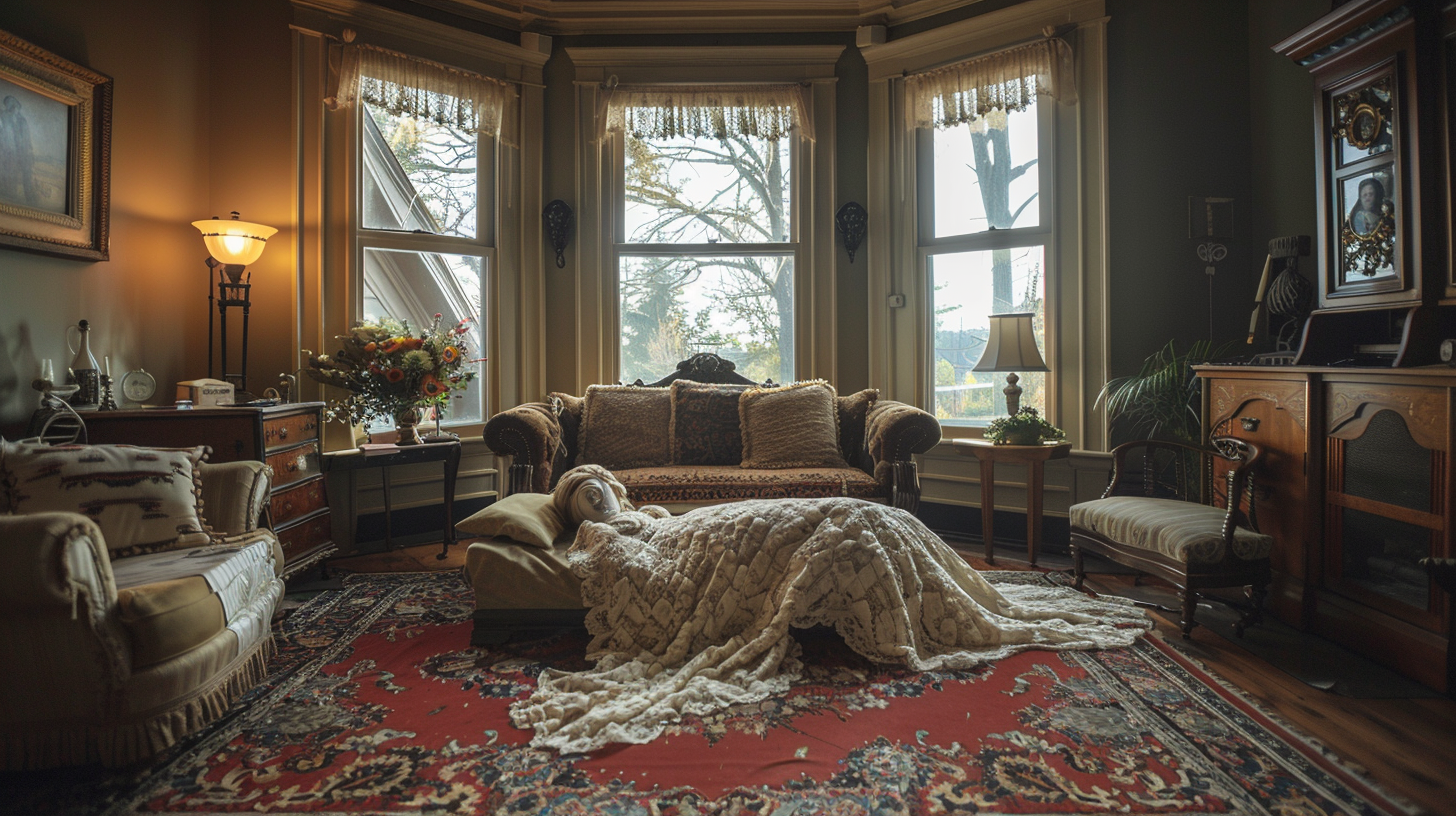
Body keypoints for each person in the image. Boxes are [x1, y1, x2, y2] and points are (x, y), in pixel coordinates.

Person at [520, 465, 1149, 754]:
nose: (597, 499)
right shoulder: (605, 540)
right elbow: (646, 574)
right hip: (698, 541)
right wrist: (607, 523)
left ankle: (896, 556)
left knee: (866, 516)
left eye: (600, 488)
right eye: (583, 495)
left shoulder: (650, 513)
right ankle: (857, 538)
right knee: (845, 522)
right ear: (572, 510)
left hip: (708, 526)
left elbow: (696, 525)